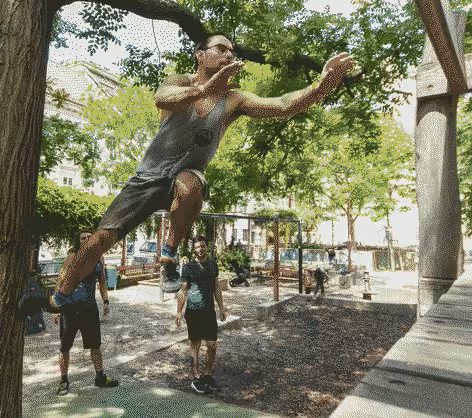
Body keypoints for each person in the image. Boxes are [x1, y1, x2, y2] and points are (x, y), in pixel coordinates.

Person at [19, 32, 356, 315]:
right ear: (200, 55)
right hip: (147, 179)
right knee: (97, 243)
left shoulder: (234, 99)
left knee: (191, 183)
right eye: (221, 48)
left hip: (184, 179)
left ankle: (167, 256)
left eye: (232, 51)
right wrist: (204, 89)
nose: (228, 54)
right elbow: (163, 100)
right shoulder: (179, 81)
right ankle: (57, 297)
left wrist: (321, 87)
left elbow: (282, 105)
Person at [54, 230, 119, 395]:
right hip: (69, 309)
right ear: (78, 241)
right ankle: (64, 380)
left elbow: (102, 282)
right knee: (65, 348)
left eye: (89, 237)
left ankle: (100, 377)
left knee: (95, 345)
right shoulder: (71, 258)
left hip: (90, 309)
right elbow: (60, 282)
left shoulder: (99, 258)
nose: (86, 240)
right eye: (83, 238)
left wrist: (105, 301)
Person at [175, 235, 227, 393]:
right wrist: (178, 312)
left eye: (202, 246)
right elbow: (183, 290)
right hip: (193, 311)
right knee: (195, 346)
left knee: (212, 345)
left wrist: (222, 307)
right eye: (197, 247)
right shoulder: (188, 267)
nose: (200, 249)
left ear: (206, 247)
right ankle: (196, 377)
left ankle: (207, 375)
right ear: (194, 249)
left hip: (209, 311)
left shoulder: (212, 265)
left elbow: (216, 287)